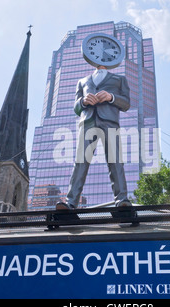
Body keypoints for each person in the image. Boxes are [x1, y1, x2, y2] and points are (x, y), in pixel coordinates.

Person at [55, 66, 133, 219]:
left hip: (110, 122)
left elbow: (126, 103)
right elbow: (76, 107)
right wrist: (83, 101)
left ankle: (122, 201)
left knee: (115, 161)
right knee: (80, 162)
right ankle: (71, 203)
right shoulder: (82, 81)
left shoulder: (120, 79)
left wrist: (111, 97)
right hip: (87, 122)